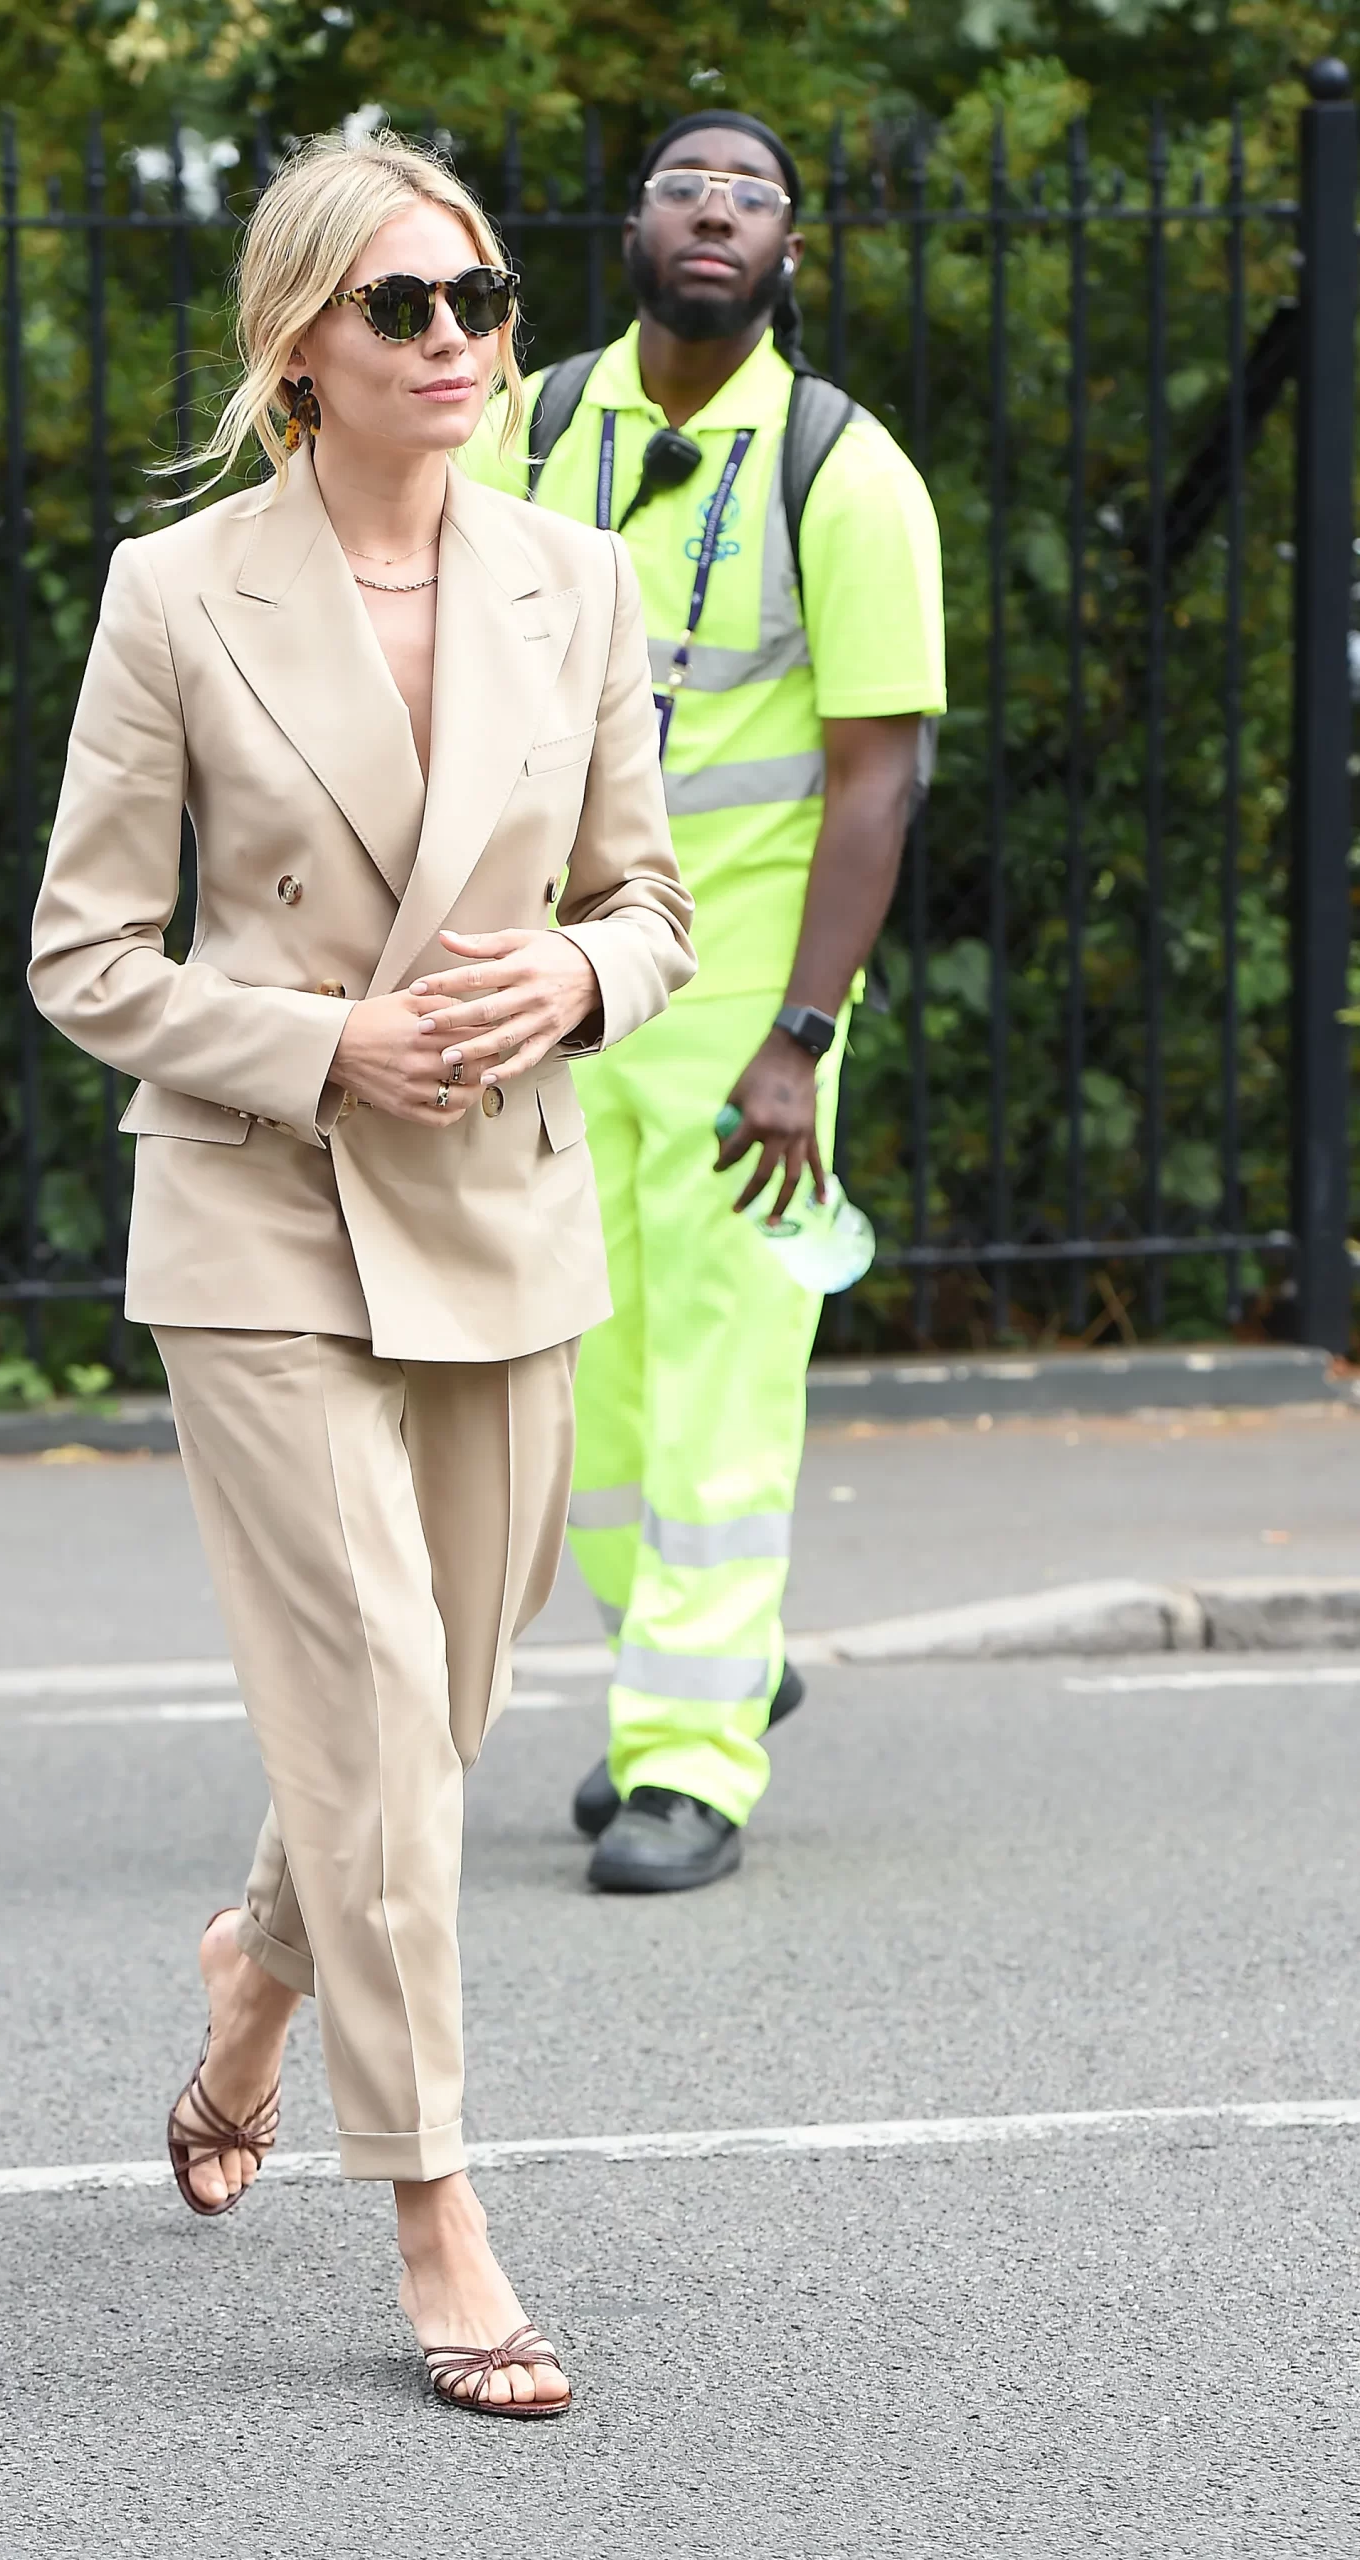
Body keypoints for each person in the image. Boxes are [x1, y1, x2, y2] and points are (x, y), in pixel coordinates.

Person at [28, 132, 692, 2416]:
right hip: (260, 1202)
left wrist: (576, 985)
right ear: (298, 341)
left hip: (501, 1196)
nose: (454, 340)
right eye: (401, 305)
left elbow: (649, 903)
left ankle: (255, 1965)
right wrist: (324, 1042)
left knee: (447, 1695)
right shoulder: (176, 592)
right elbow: (85, 955)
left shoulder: (576, 580)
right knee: (382, 1718)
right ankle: (434, 2207)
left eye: (479, 299)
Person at [465, 111, 944, 1893]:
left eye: (752, 195)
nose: (716, 211)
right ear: (633, 229)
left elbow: (878, 782)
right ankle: (708, 1662)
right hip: (556, 988)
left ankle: (686, 1758)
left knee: (724, 1391)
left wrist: (800, 1040)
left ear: (788, 254)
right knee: (577, 1395)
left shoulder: (847, 473)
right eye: (686, 185)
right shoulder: (524, 427)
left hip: (745, 1011)